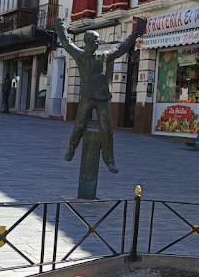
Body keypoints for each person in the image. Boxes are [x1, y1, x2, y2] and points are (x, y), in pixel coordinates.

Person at [58, 17, 146, 174]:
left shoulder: (104, 56)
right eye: (95, 41)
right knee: (79, 126)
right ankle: (70, 150)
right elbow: (66, 43)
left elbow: (122, 48)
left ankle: (109, 160)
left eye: (98, 41)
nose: (98, 44)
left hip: (102, 99)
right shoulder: (79, 55)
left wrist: (135, 34)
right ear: (88, 42)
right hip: (86, 97)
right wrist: (60, 27)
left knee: (107, 130)